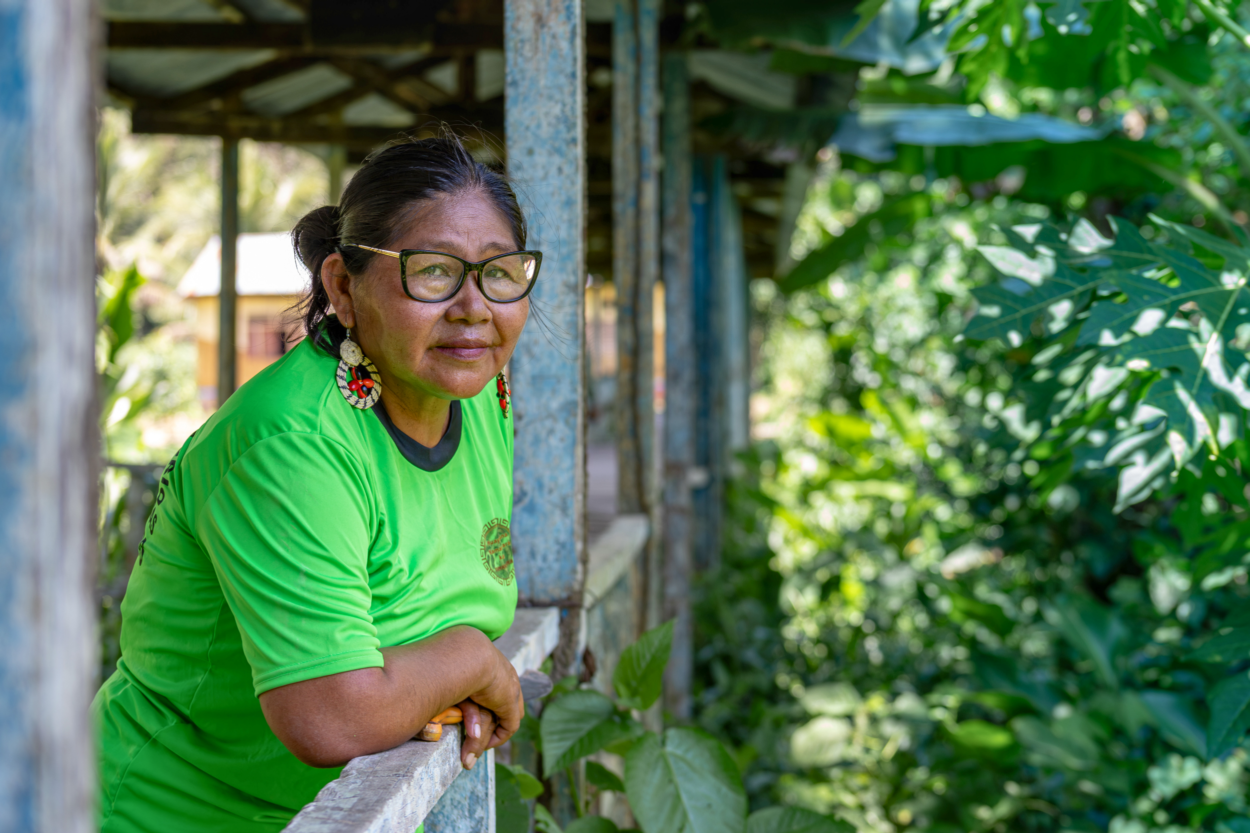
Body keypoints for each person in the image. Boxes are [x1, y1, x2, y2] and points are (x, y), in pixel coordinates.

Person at [93, 135, 541, 833]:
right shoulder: (290, 444)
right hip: (169, 812)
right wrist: (469, 660)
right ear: (342, 286)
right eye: (432, 272)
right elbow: (330, 713)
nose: (474, 307)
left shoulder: (480, 398)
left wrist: (430, 680)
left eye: (501, 272)